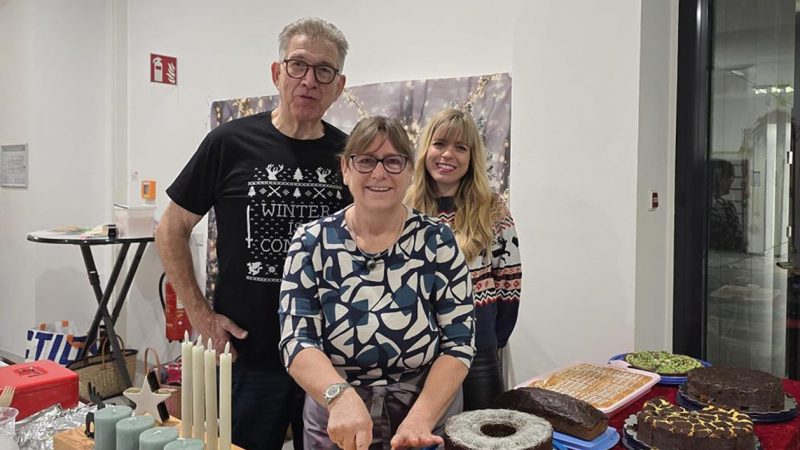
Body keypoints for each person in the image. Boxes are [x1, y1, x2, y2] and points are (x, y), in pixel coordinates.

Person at [155, 17, 351, 450]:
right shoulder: (229, 143)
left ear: (339, 86)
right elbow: (170, 229)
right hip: (248, 356)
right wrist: (201, 316)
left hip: (328, 359)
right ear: (277, 73)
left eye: (324, 71)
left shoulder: (348, 156)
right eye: (298, 65)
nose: (309, 80)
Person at [278, 116, 476, 450]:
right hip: (336, 417)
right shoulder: (311, 242)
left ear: (410, 170)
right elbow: (296, 340)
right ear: (345, 168)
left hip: (423, 413)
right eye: (366, 160)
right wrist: (340, 397)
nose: (379, 173)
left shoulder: (438, 241)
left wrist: (421, 418)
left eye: (393, 161)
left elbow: (458, 342)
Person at [406, 108, 522, 411]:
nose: (448, 155)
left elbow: (509, 280)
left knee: (481, 435)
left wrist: (494, 339)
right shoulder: (404, 207)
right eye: (440, 143)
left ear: (472, 157)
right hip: (417, 349)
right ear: (426, 148)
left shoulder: (492, 208)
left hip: (478, 348)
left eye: (461, 147)